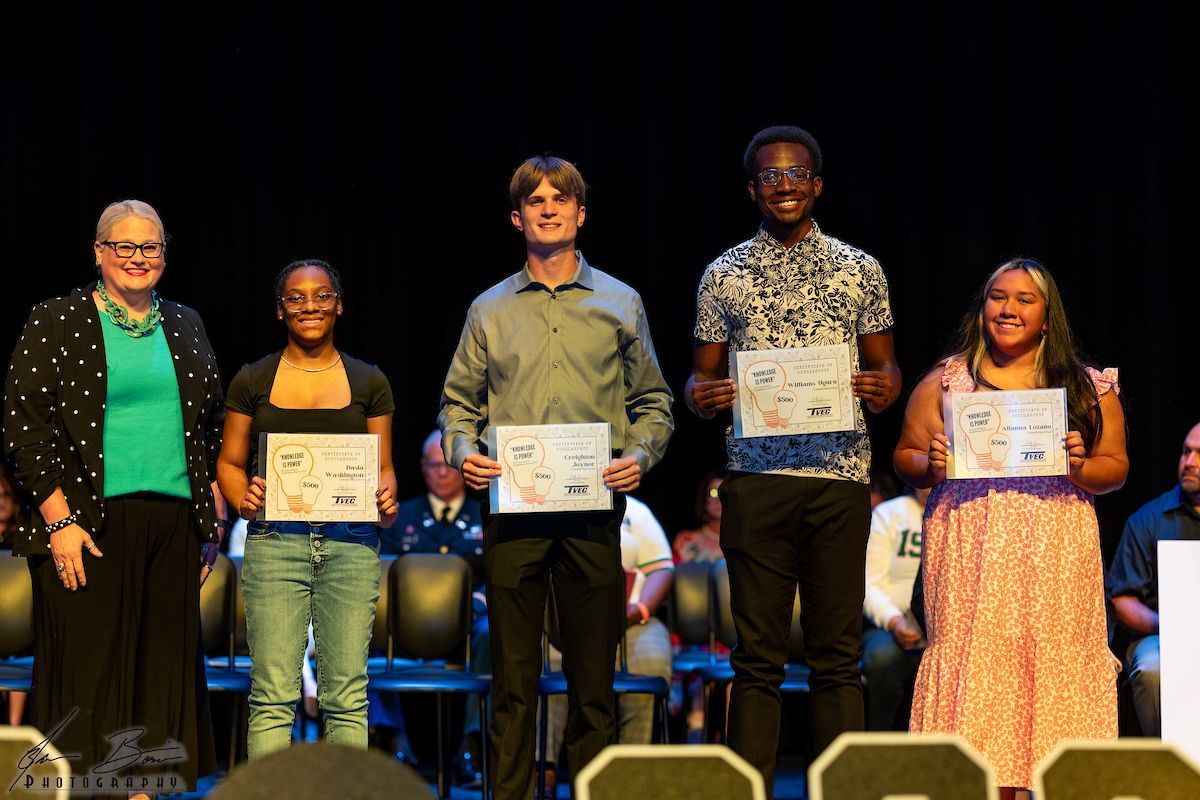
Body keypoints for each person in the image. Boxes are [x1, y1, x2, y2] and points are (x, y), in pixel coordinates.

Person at [439, 155, 673, 799]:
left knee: (593, 683)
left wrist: (640, 456)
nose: (548, 208)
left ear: (580, 214)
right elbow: (458, 405)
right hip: (512, 513)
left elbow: (654, 402)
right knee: (513, 684)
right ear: (518, 218)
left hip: (593, 513)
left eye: (561, 198)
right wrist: (464, 452)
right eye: (535, 201)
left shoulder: (621, 302)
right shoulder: (489, 309)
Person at [687, 125, 900, 794]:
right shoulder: (723, 273)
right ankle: (746, 787)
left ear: (817, 185)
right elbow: (698, 384)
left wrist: (884, 386)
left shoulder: (860, 268)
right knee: (757, 659)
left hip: (839, 480)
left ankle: (837, 790)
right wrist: (706, 395)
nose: (784, 185)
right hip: (755, 480)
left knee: (837, 657)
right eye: (770, 176)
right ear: (753, 188)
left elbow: (888, 370)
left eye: (796, 174)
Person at [3, 199, 224, 793]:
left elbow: (206, 431)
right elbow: (24, 426)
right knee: (87, 679)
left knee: (161, 678)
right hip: (84, 525)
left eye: (150, 247)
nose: (137, 258)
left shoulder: (186, 322)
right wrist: (57, 521)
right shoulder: (57, 318)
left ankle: (146, 793)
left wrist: (209, 521)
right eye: (123, 247)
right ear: (99, 252)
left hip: (173, 524)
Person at [894, 257, 1127, 798]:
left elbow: (1115, 468)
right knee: (976, 658)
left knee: (1052, 656)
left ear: (1048, 318)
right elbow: (903, 455)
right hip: (971, 542)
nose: (1009, 308)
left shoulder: (1088, 389)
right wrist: (929, 465)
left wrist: (1080, 466)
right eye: (998, 297)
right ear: (983, 309)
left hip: (1055, 546)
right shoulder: (949, 382)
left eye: (1025, 299)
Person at [216, 259, 398, 758]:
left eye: (322, 296)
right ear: (280, 310)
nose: (309, 305)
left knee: (346, 697)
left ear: (339, 305)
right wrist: (241, 496)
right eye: (296, 297)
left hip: (351, 542)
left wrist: (386, 495)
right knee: (273, 697)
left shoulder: (369, 382)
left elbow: (384, 469)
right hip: (276, 542)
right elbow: (229, 465)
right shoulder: (252, 380)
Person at [539, 494, 675, 791]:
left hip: (632, 621)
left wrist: (637, 611)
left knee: (652, 660)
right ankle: (545, 770)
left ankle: (630, 768)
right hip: (562, 624)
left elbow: (662, 568)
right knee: (544, 663)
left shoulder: (636, 512)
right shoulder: (546, 503)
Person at [377, 430, 488, 785]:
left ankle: (471, 745)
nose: (441, 473)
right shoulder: (399, 517)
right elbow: (383, 574)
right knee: (367, 629)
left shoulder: (485, 516)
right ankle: (395, 744)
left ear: (462, 469)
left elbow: (500, 575)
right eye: (432, 465)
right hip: (405, 632)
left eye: (447, 466)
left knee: (496, 634)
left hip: (469, 631)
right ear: (423, 470)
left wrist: (477, 601)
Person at [1105, 421, 1200, 737]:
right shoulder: (1148, 520)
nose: (1189, 463)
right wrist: (1173, 626)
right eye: (1186, 452)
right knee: (1151, 668)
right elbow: (1122, 600)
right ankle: (1166, 765)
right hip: (1162, 634)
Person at [861, 486, 930, 730]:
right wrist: (895, 621)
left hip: (945, 630)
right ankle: (878, 750)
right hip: (894, 625)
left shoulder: (962, 512)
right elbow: (868, 583)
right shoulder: (889, 514)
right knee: (882, 658)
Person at [673, 471, 726, 566]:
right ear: (704, 499)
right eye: (713, 493)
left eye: (724, 494)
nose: (719, 500)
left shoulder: (746, 543)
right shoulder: (687, 540)